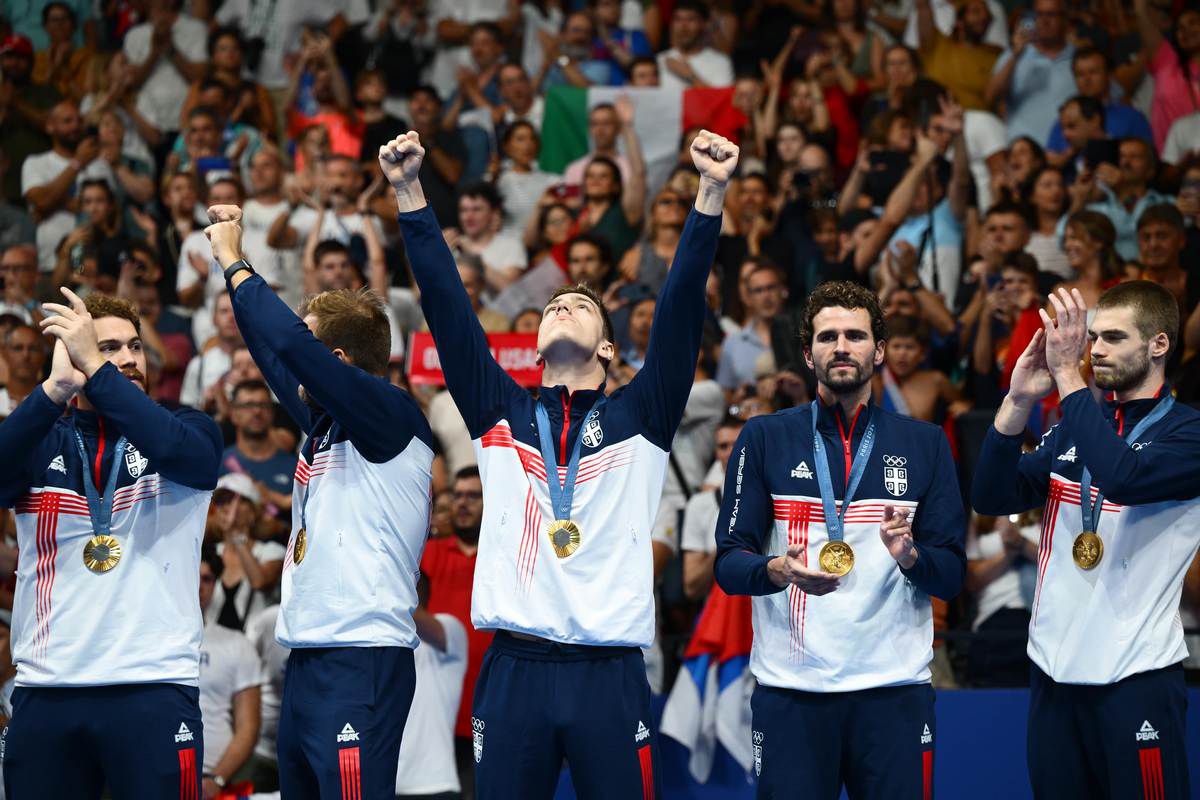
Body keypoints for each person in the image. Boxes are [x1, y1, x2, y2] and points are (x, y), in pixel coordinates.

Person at [383, 127, 735, 798]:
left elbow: (682, 308)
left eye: (581, 305)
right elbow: (450, 310)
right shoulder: (499, 411)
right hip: (514, 668)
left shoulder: (643, 416)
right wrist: (409, 194)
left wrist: (709, 194)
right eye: (553, 306)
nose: (563, 307)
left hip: (609, 672)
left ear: (608, 350)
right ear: (537, 344)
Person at [205, 202, 436, 800]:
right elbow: (269, 347)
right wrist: (232, 260)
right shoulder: (325, 423)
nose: (293, 362)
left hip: (362, 658)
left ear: (335, 362)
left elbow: (287, 342)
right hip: (306, 658)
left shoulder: (392, 418)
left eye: (309, 344)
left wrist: (236, 261)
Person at [713, 281, 966, 799]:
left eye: (855, 335)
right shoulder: (764, 438)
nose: (842, 347)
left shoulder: (924, 444)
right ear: (808, 354)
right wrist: (777, 570)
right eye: (828, 337)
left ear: (878, 349)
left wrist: (911, 556)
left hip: (894, 693)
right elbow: (728, 563)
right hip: (793, 694)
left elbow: (953, 574)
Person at [971, 282, 1199, 798]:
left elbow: (1123, 477)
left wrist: (1068, 377)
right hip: (1053, 675)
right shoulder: (1076, 424)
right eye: (1092, 337)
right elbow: (990, 495)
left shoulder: (1189, 433)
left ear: (1158, 345)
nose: (1095, 350)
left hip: (1136, 678)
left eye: (1114, 338)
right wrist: (1018, 400)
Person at [0, 290, 222, 798]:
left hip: (155, 687)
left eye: (134, 347)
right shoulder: (40, 440)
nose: (126, 360)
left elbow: (176, 451)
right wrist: (54, 390)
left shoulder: (189, 428)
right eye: (106, 348)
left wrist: (95, 369)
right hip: (48, 689)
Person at [395, 573, 470, 800]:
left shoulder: (450, 628)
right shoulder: (382, 644)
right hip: (384, 782)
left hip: (434, 785)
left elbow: (417, 619)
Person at [197, 546, 263, 797]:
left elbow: (248, 726)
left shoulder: (238, 644)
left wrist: (217, 780)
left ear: (216, 585)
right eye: (194, 575)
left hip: (212, 779)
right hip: (155, 771)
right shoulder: (152, 640)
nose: (199, 585)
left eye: (207, 579)